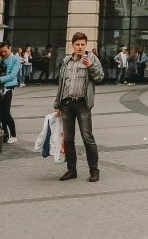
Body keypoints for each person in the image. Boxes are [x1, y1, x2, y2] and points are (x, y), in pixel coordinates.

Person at [54, 31, 105, 182]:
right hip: (67, 104)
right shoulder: (66, 61)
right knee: (68, 139)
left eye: (83, 44)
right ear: (73, 45)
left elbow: (100, 77)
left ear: (86, 44)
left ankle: (94, 170)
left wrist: (91, 67)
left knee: (87, 137)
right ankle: (71, 170)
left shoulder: (91, 58)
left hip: (83, 104)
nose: (80, 47)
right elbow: (61, 84)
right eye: (77, 44)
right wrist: (57, 104)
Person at [0, 42, 21, 143]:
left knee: (6, 113)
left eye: (5, 51)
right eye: (1, 52)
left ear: (10, 48)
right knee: (0, 113)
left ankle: (14, 136)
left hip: (7, 88)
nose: (3, 53)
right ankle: (5, 135)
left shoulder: (15, 59)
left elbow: (12, 75)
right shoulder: (1, 58)